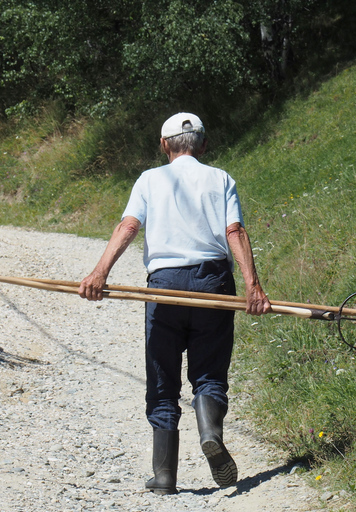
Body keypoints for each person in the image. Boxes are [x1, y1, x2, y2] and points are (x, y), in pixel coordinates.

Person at [78, 112, 271, 495]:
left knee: (163, 382)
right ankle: (210, 431)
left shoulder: (150, 179)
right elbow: (234, 231)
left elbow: (129, 226)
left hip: (163, 287)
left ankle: (165, 477)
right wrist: (253, 286)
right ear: (202, 144)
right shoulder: (220, 178)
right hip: (213, 284)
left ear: (164, 145)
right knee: (209, 374)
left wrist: (99, 273)